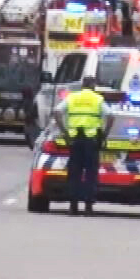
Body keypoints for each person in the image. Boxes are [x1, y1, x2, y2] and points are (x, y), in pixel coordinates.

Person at [54, 75, 106, 215]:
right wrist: (104, 134)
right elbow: (111, 115)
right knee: (90, 174)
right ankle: (88, 207)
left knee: (74, 174)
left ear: (82, 85)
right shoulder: (98, 99)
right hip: (91, 140)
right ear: (93, 85)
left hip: (75, 140)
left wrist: (64, 132)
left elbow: (57, 112)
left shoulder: (72, 97)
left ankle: (73, 206)